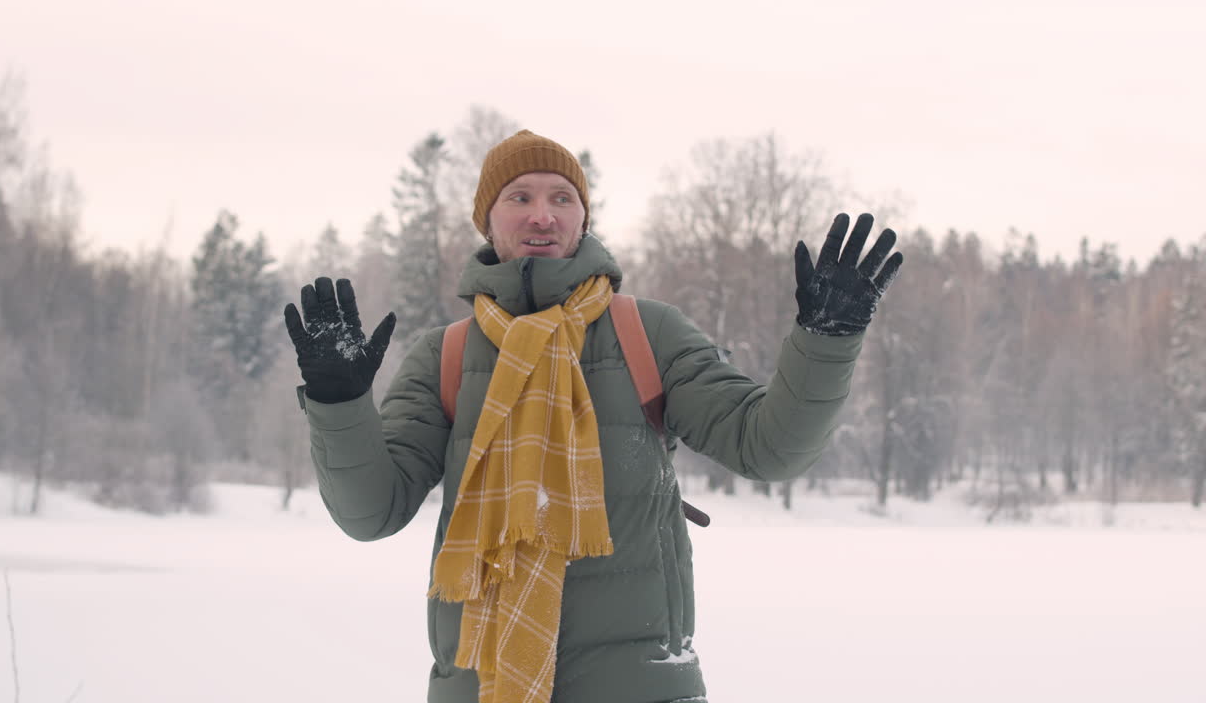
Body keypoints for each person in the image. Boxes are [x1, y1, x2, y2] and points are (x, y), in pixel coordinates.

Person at [284, 130, 903, 703]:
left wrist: (827, 339)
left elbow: (769, 447)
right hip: (480, 685)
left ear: (583, 217)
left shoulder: (647, 332)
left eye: (561, 197)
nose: (542, 214)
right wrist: (338, 404)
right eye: (519, 196)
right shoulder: (445, 357)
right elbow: (371, 513)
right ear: (487, 220)